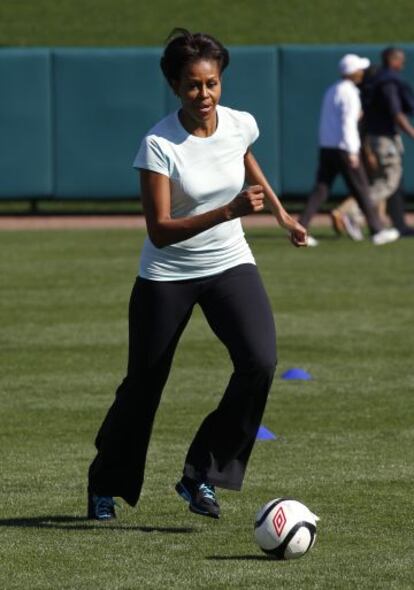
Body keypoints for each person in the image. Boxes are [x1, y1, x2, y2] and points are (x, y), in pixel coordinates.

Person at [87, 29, 307, 521]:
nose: (203, 95)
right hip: (166, 276)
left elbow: (245, 159)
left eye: (211, 84)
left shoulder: (239, 124)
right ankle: (105, 483)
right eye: (192, 86)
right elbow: (161, 230)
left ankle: (200, 473)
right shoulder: (158, 145)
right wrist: (228, 211)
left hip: (230, 263)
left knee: (259, 360)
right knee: (144, 385)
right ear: (174, 85)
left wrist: (281, 214)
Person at [299, 54, 399, 247]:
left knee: (321, 190)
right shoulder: (350, 92)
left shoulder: (332, 89)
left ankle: (300, 228)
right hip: (344, 149)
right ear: (353, 73)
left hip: (328, 147)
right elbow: (348, 124)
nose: (362, 73)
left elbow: (332, 121)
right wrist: (353, 151)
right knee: (362, 189)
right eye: (359, 70)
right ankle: (378, 231)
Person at [332, 48, 414, 238]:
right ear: (393, 61)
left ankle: (375, 223)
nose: (403, 65)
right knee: (388, 181)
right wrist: (411, 132)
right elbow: (396, 113)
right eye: (401, 61)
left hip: (370, 137)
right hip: (383, 139)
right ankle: (352, 212)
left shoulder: (372, 81)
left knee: (378, 180)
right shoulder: (387, 83)